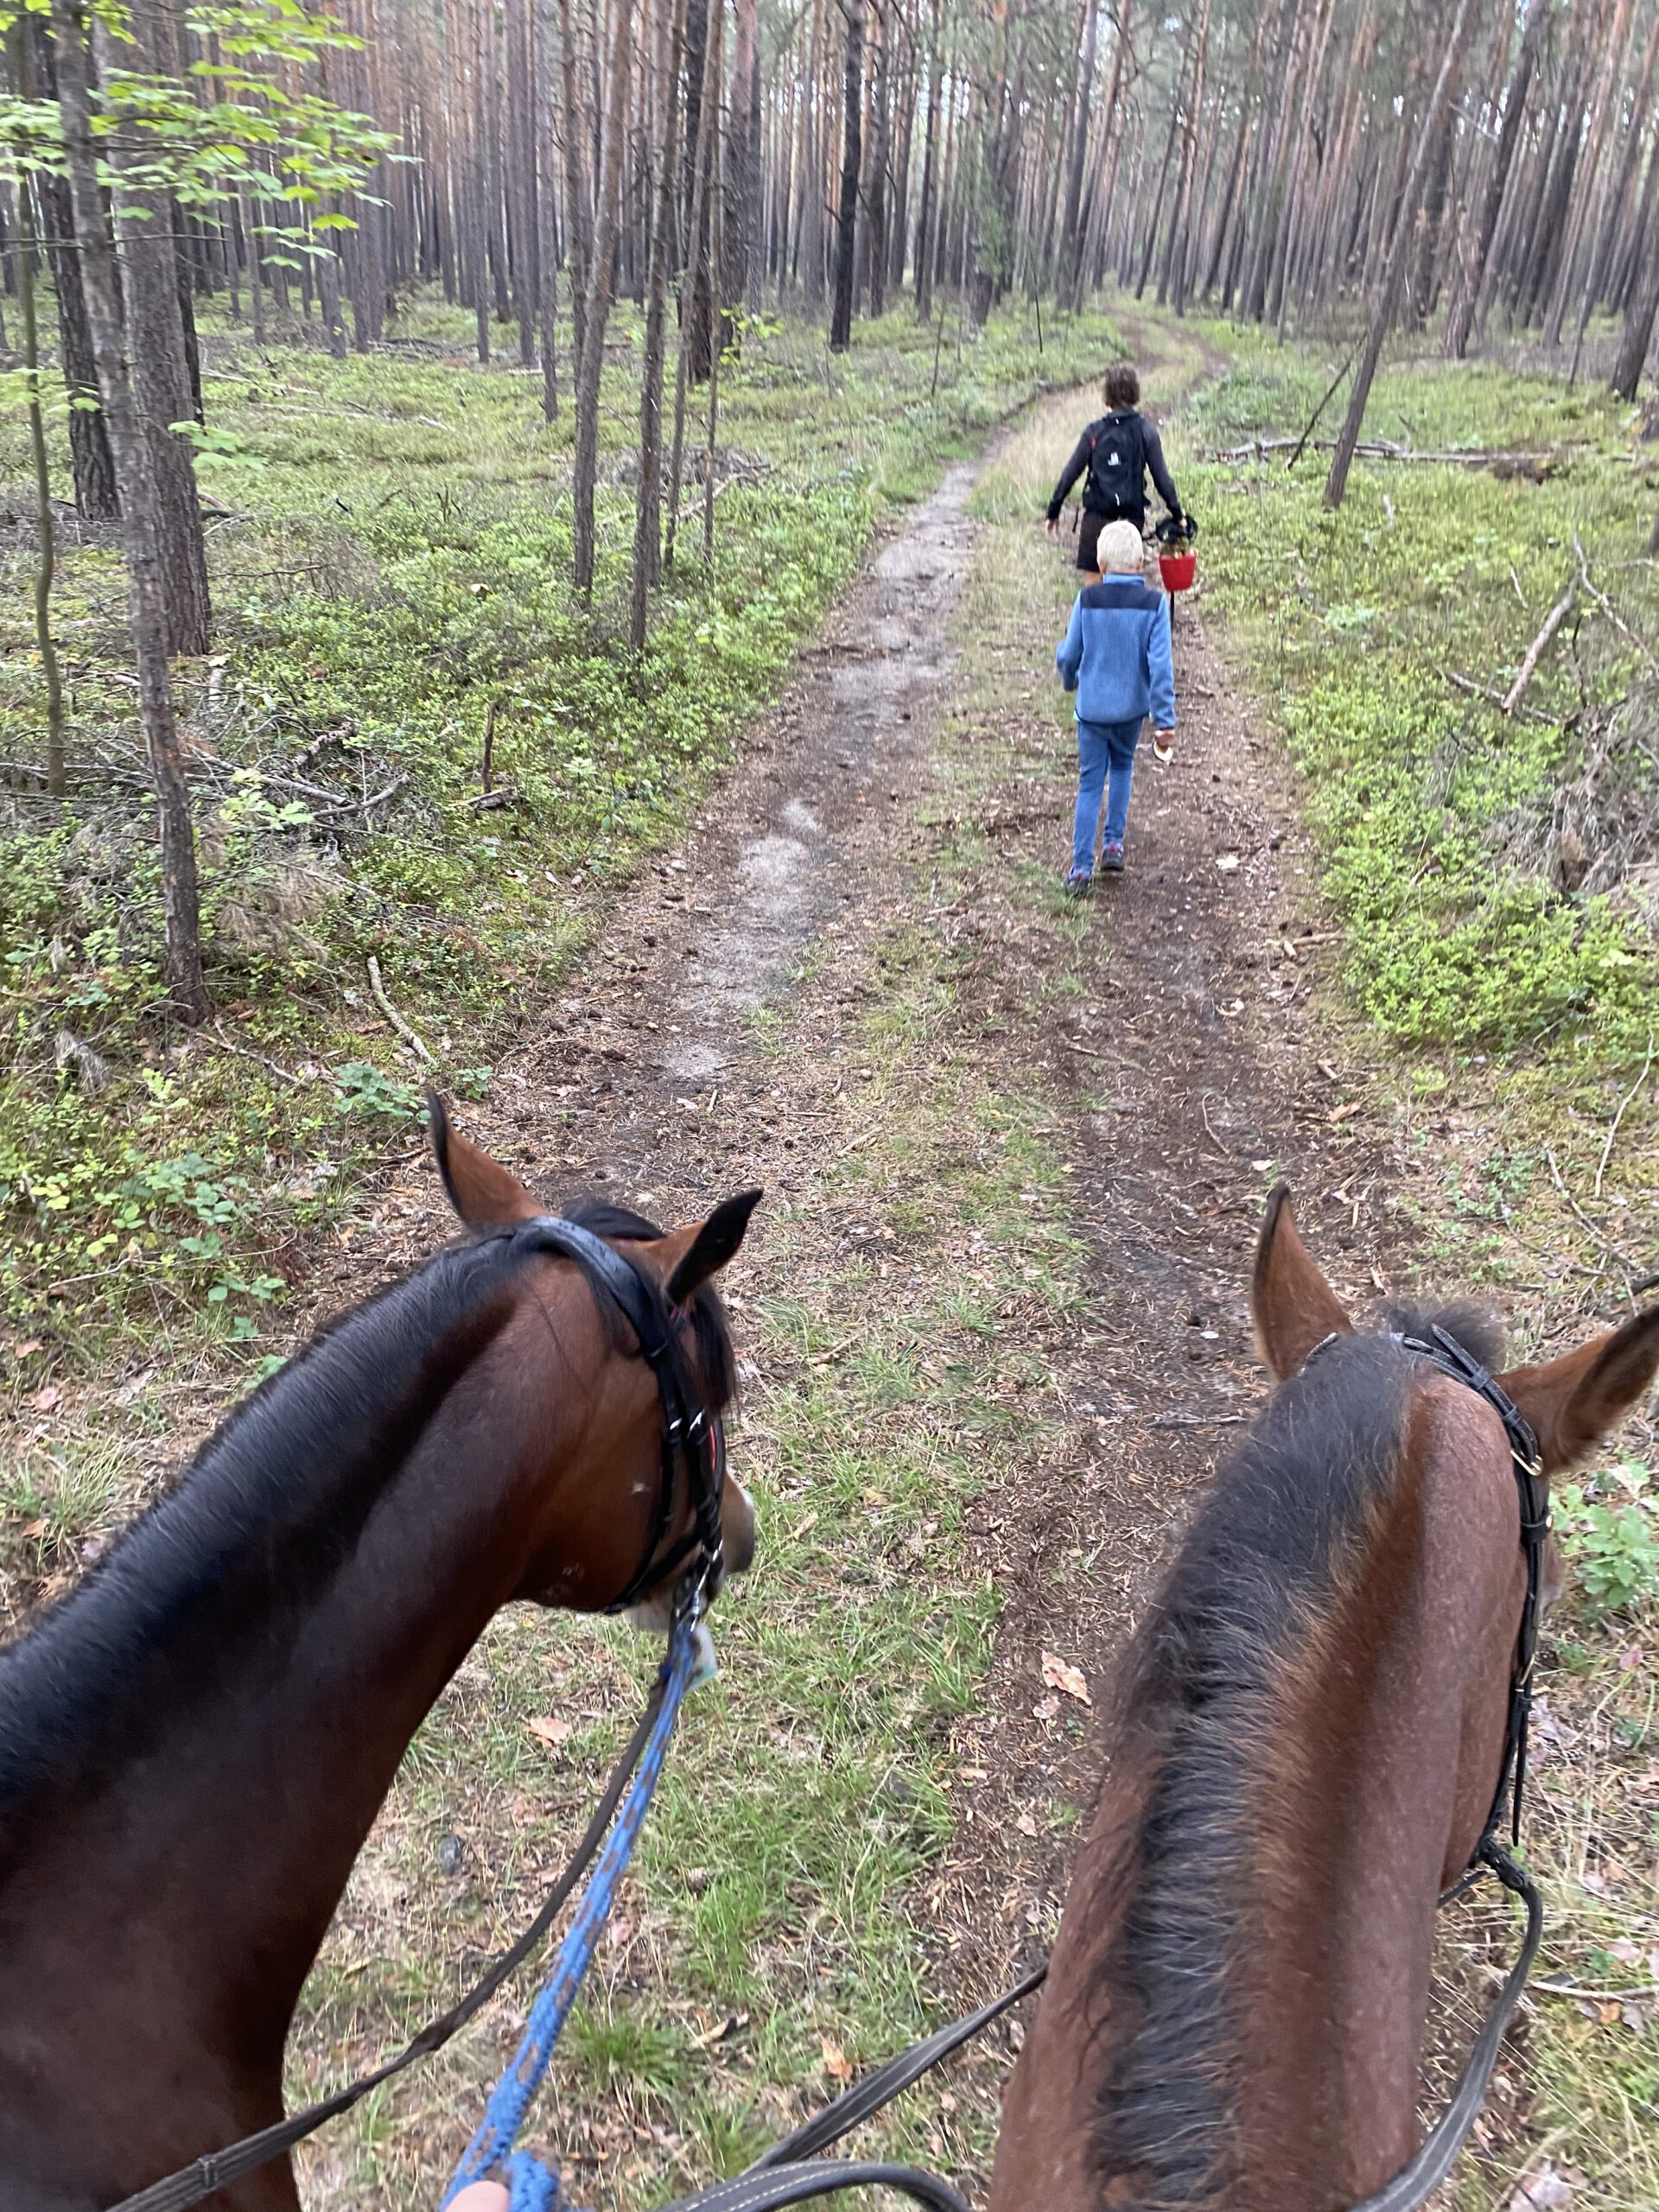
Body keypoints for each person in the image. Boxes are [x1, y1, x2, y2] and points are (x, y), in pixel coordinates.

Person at [1054, 518, 1175, 893]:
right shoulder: (1154, 604)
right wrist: (1164, 719)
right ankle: (1113, 844)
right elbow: (1160, 666)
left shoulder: (1087, 599)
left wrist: (1070, 680)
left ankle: (1079, 868)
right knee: (1123, 766)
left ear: (1102, 565)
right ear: (1141, 563)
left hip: (1091, 712)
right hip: (1130, 713)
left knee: (1090, 783)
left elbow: (1068, 655)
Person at [1045, 362, 1185, 580]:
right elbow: (1162, 480)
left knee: (1093, 587)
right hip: (1130, 522)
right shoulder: (1146, 432)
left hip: (1097, 520)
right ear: (1134, 392)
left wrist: (1054, 510)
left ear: (1107, 393)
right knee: (1126, 585)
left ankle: (1094, 614)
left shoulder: (1094, 432)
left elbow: (1070, 474)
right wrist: (1178, 514)